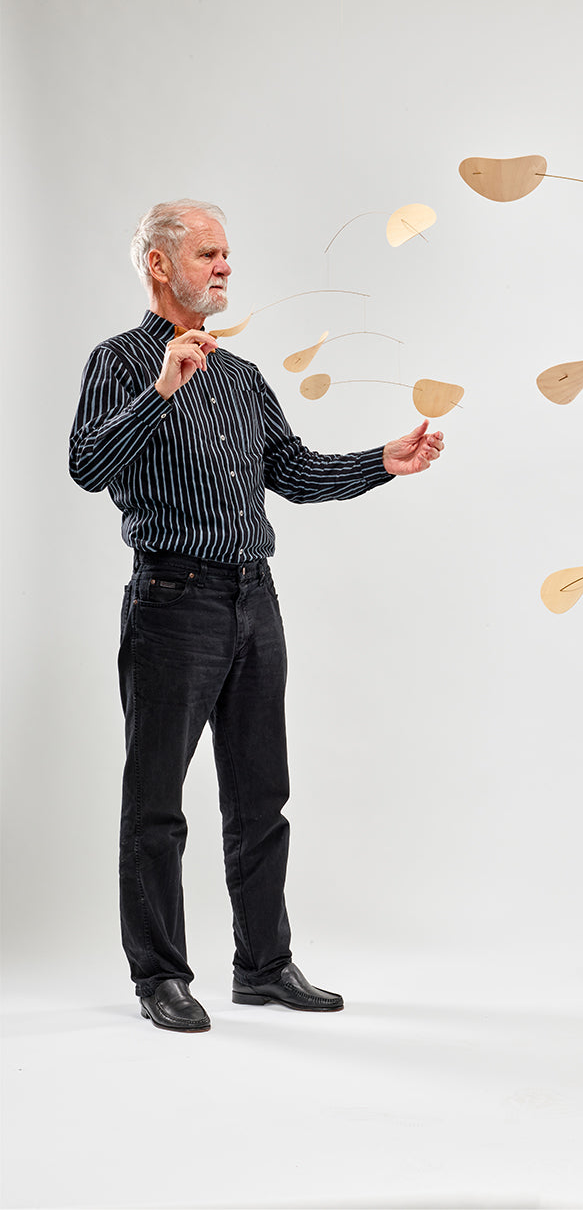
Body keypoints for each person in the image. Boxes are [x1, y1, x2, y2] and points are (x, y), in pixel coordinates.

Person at [69, 199, 444, 1033]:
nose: (226, 266)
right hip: (172, 602)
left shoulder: (241, 377)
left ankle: (264, 966)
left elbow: (296, 472)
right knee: (156, 802)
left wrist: (384, 461)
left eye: (228, 253)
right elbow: (86, 465)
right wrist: (163, 389)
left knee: (260, 795)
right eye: (208, 253)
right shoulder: (123, 361)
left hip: (253, 599)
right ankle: (160, 975)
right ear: (161, 265)